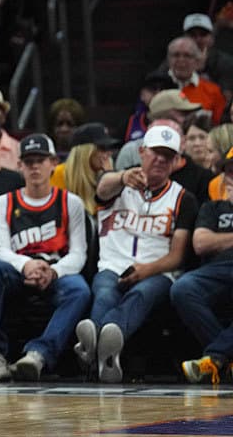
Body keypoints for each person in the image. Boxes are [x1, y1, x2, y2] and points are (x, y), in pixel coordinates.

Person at [75, 126, 197, 383]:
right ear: (142, 152)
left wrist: (145, 270)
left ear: (176, 161)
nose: (161, 160)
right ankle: (105, 352)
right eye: (156, 153)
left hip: (158, 270)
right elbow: (102, 188)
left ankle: (96, 340)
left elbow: (177, 257)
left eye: (168, 155)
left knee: (142, 293)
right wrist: (121, 177)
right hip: (113, 264)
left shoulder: (183, 198)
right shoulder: (119, 184)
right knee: (106, 292)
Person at [0, 133, 90, 382]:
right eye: (28, 161)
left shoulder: (71, 202)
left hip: (56, 272)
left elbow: (79, 253)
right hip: (17, 271)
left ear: (53, 163)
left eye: (40, 160)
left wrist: (52, 270)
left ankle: (38, 355)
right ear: (19, 166)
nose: (34, 166)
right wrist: (27, 265)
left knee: (79, 290)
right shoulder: (3, 202)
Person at [172, 174, 233, 384]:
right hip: (215, 270)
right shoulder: (212, 207)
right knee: (182, 288)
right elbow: (200, 243)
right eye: (231, 171)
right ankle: (226, 359)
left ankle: (216, 358)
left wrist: (220, 240)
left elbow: (210, 240)